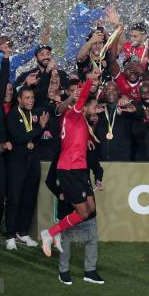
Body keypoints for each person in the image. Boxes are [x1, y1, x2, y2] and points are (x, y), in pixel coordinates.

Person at [40, 72, 100, 259]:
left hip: (79, 169)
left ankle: (57, 231)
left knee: (91, 209)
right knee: (82, 213)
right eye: (94, 107)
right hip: (69, 169)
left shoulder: (79, 119)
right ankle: (49, 233)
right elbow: (80, 99)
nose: (96, 109)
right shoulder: (73, 114)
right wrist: (90, 79)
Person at [44, 108, 105, 285]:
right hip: (70, 197)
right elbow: (49, 180)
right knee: (67, 238)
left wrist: (99, 179)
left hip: (85, 193)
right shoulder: (64, 153)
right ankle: (63, 271)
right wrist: (60, 193)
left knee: (92, 234)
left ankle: (90, 271)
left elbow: (97, 168)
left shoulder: (90, 148)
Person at [5, 86, 49, 250]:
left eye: (32, 98)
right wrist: (40, 128)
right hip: (17, 163)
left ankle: (22, 232)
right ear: (19, 99)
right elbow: (20, 138)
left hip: (33, 161)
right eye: (27, 98)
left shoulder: (35, 114)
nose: (30, 101)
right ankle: (10, 235)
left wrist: (40, 127)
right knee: (14, 199)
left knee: (29, 198)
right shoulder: (13, 115)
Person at [0, 10, 52, 84]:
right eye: (6, 47)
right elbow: (31, 53)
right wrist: (44, 39)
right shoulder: (13, 60)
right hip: (9, 92)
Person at [65, 0, 109, 66]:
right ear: (90, 3)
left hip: (81, 53)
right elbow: (89, 15)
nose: (94, 7)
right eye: (94, 4)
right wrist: (106, 10)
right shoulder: (80, 7)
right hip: (74, 53)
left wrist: (99, 28)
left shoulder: (84, 23)